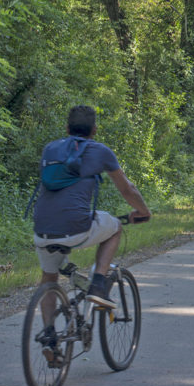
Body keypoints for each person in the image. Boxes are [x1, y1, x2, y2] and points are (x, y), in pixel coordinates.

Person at [33, 105, 151, 311]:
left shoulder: (49, 149)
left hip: (41, 230)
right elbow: (127, 189)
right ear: (94, 130)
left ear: (67, 128)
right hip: (76, 227)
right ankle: (97, 284)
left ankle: (49, 338)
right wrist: (143, 211)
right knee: (114, 227)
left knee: (49, 278)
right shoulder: (100, 151)